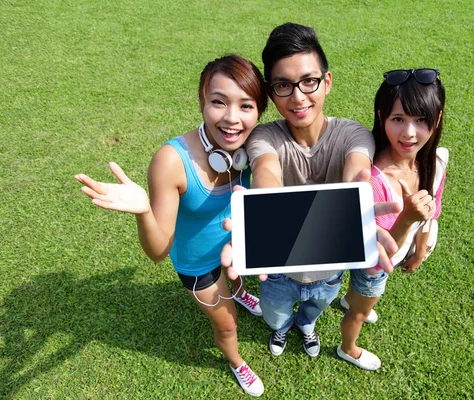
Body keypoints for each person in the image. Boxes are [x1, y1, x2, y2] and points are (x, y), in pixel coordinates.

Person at [74, 55, 268, 397]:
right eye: (218, 102)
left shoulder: (254, 146)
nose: (232, 119)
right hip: (198, 264)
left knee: (234, 285)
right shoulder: (171, 161)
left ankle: (239, 293)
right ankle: (237, 362)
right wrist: (144, 211)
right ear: (201, 102)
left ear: (259, 111)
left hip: (234, 250)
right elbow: (157, 251)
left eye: (246, 106)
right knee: (226, 325)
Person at [241, 22, 381, 359]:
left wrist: (356, 193)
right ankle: (280, 330)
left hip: (330, 273)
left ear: (327, 82)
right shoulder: (265, 137)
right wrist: (265, 201)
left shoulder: (354, 134)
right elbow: (266, 172)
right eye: (284, 86)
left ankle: (306, 327)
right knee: (275, 316)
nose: (298, 97)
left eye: (309, 82)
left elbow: (355, 174)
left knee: (313, 311)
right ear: (271, 92)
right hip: (278, 272)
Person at [337, 68, 448, 370]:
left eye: (421, 120)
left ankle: (351, 299)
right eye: (398, 119)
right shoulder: (373, 180)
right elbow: (376, 254)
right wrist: (407, 217)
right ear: (381, 116)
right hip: (375, 263)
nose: (409, 133)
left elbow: (431, 212)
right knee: (360, 313)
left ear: (436, 119)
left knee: (358, 298)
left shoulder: (436, 162)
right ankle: (349, 348)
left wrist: (421, 250)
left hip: (396, 253)